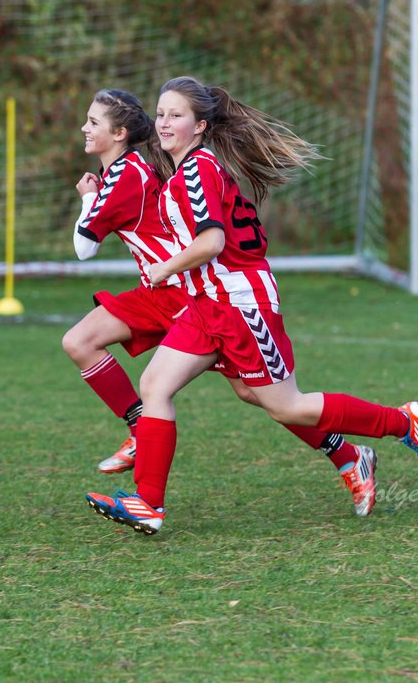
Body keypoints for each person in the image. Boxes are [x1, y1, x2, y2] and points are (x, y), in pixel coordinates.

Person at [86, 76, 418, 534]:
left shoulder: (198, 169)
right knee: (157, 385)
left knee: (286, 405)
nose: (164, 123)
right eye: (160, 114)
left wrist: (164, 268)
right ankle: (147, 504)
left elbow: (212, 241)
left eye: (176, 115)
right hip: (206, 303)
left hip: (240, 302)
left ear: (199, 126)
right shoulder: (184, 170)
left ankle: (403, 422)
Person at [62, 90, 378, 500]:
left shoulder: (125, 175)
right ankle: (143, 444)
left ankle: (355, 452)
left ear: (119, 133)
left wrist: (87, 197)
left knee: (261, 394)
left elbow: (84, 247)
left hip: (181, 293)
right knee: (82, 341)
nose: (84, 128)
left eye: (93, 122)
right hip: (161, 290)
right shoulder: (131, 169)